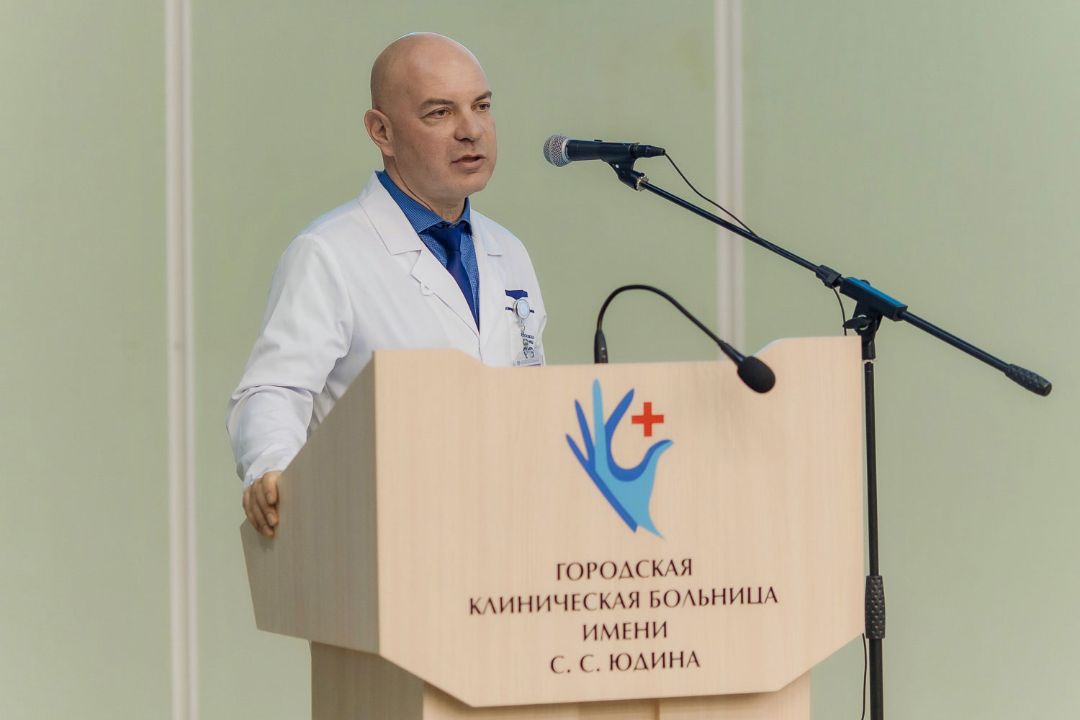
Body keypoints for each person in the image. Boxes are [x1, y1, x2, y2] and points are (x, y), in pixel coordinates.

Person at [227, 33, 547, 539]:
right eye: (440, 113)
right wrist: (273, 469)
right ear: (382, 132)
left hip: (508, 534)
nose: (472, 131)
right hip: (386, 536)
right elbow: (275, 389)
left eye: (482, 106)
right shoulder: (329, 252)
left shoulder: (508, 252)